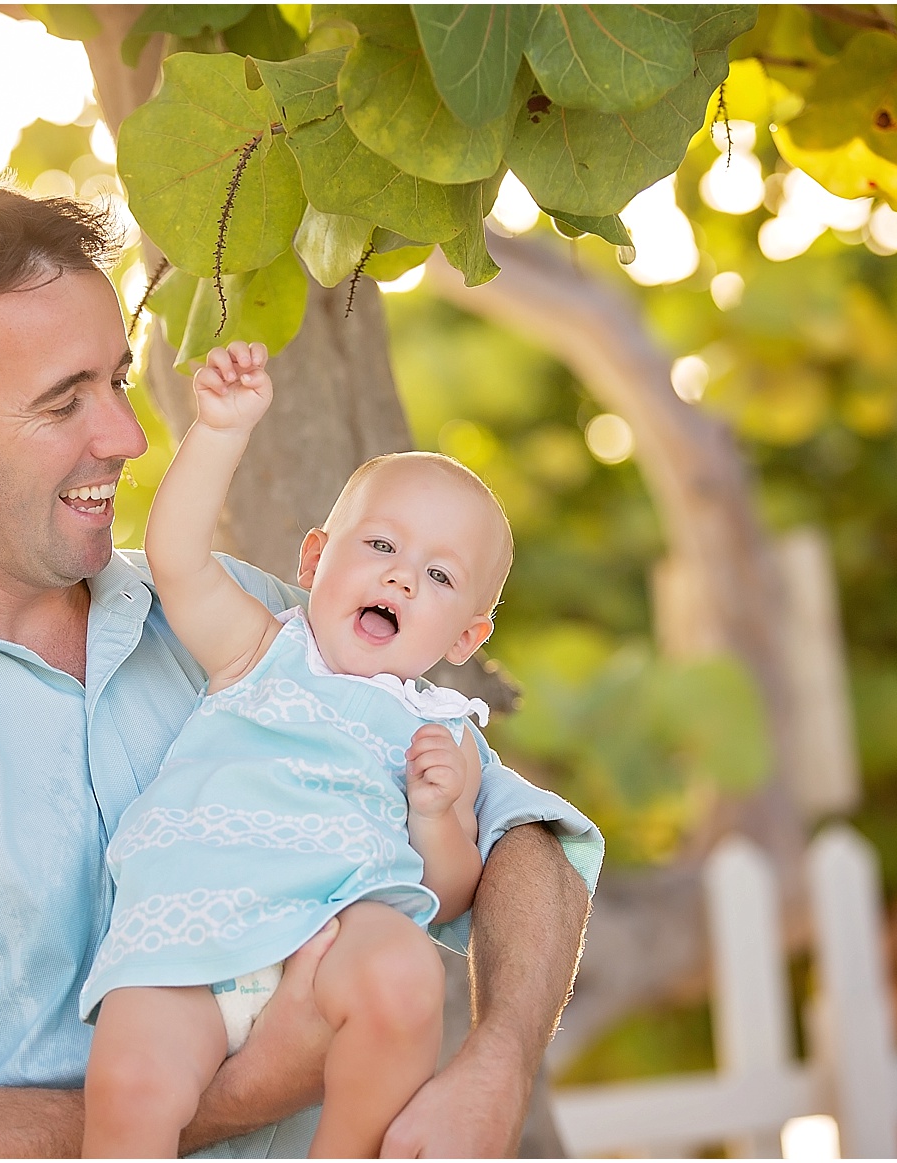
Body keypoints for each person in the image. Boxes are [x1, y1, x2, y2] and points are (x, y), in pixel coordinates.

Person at [0, 183, 601, 1159]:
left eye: (116, 381)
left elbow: (521, 838)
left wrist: (500, 1060)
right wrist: (234, 1089)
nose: (124, 436)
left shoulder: (257, 624)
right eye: (61, 400)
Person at [83, 343, 592, 1157]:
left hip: (332, 960)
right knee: (133, 1092)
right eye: (382, 547)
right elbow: (176, 561)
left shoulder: (447, 734)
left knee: (407, 976)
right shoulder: (260, 648)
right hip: (190, 937)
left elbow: (453, 893)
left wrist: (434, 814)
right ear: (316, 558)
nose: (400, 581)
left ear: (466, 635)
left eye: (437, 575)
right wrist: (220, 431)